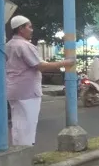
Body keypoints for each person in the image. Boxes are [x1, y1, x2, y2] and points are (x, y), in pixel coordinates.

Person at [5, 15, 74, 146]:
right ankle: (24, 153)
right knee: (27, 125)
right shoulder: (24, 45)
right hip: (27, 91)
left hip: (14, 90)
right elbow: (40, 66)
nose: (32, 30)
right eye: (29, 27)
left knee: (18, 124)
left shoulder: (9, 45)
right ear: (21, 29)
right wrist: (66, 63)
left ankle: (19, 151)